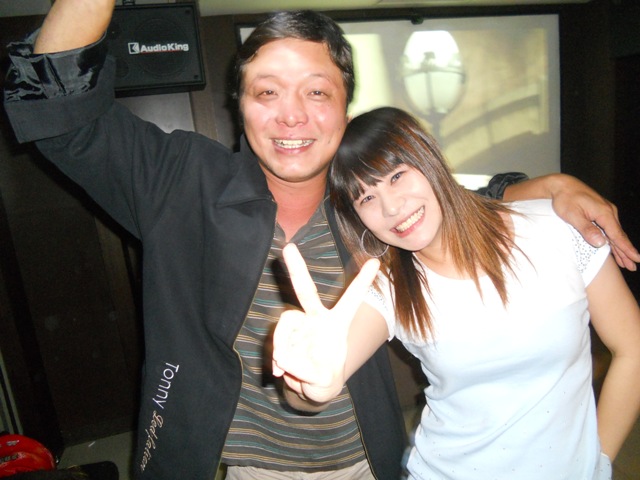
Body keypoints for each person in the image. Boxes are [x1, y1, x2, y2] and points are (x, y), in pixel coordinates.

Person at [3, 1, 639, 478]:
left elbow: (454, 201)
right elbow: (58, 116)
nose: (292, 115)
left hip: (367, 457)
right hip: (241, 463)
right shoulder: (181, 181)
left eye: (316, 92)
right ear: (238, 105)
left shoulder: (370, 203)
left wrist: (547, 185)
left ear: (345, 108)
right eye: (267, 92)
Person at [272, 107, 640, 479]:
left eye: (397, 176)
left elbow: (633, 348)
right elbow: (322, 374)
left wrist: (598, 462)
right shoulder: (389, 286)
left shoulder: (553, 228)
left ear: (428, 157)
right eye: (366, 198)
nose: (391, 207)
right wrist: (308, 382)